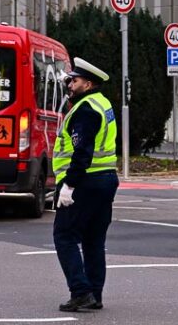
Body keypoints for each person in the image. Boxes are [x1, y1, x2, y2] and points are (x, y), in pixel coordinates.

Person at [52, 57, 119, 313]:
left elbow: (82, 151)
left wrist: (69, 185)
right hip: (105, 180)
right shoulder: (103, 104)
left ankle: (80, 292)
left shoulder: (86, 109)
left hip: (85, 181)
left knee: (64, 236)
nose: (70, 84)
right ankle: (94, 293)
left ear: (88, 83)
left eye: (75, 80)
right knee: (93, 239)